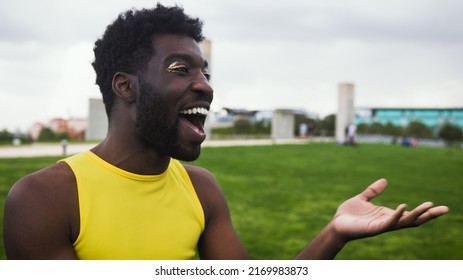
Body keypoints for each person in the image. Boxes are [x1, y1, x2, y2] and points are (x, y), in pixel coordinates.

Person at [3, 3, 448, 260]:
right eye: (181, 69)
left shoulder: (201, 188)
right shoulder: (45, 199)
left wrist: (334, 234)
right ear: (126, 86)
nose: (205, 85)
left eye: (205, 70)